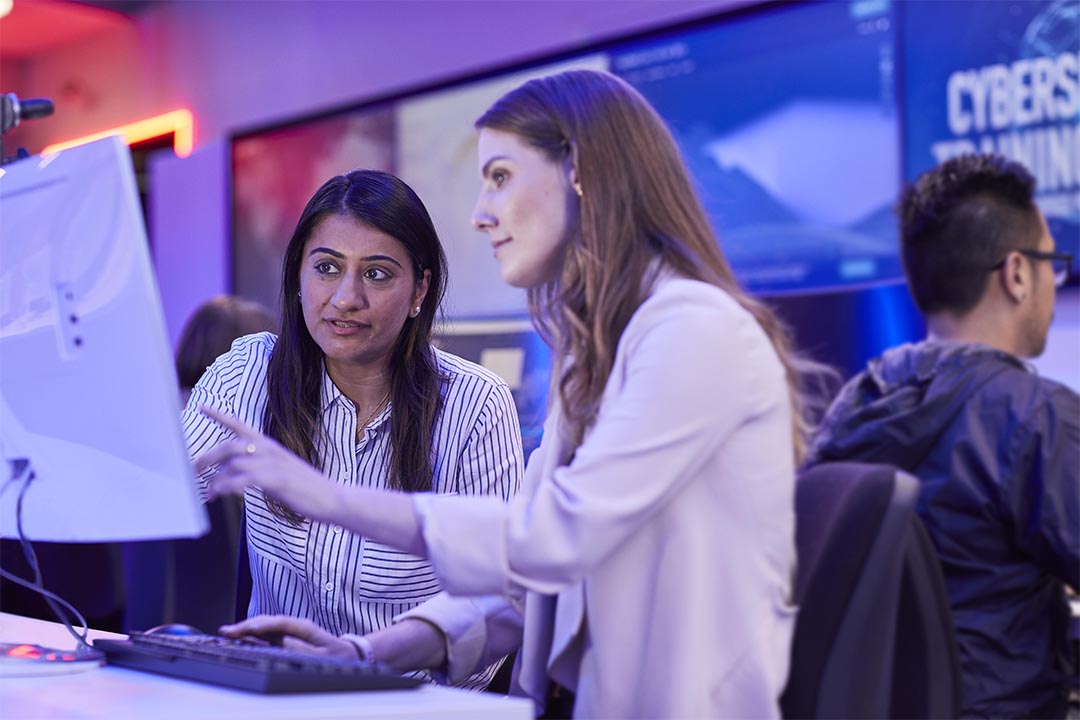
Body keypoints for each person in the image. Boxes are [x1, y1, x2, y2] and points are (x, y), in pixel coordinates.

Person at [201, 70, 815, 718]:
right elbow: (524, 590)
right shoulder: (597, 352)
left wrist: (330, 499)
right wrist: (361, 653)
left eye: (499, 176)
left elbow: (554, 539)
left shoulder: (695, 328)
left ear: (580, 173)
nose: (480, 213)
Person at [182, 170, 524, 689]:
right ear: (298, 275)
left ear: (420, 288)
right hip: (277, 695)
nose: (345, 298)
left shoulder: (476, 404)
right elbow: (160, 496)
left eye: (378, 274)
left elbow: (497, 595)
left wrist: (368, 662)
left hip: (417, 701)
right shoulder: (249, 372)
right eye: (326, 267)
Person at [806, 154, 1079, 718]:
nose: (1056, 281)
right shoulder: (1036, 418)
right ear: (1018, 273)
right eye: (1053, 263)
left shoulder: (856, 402)